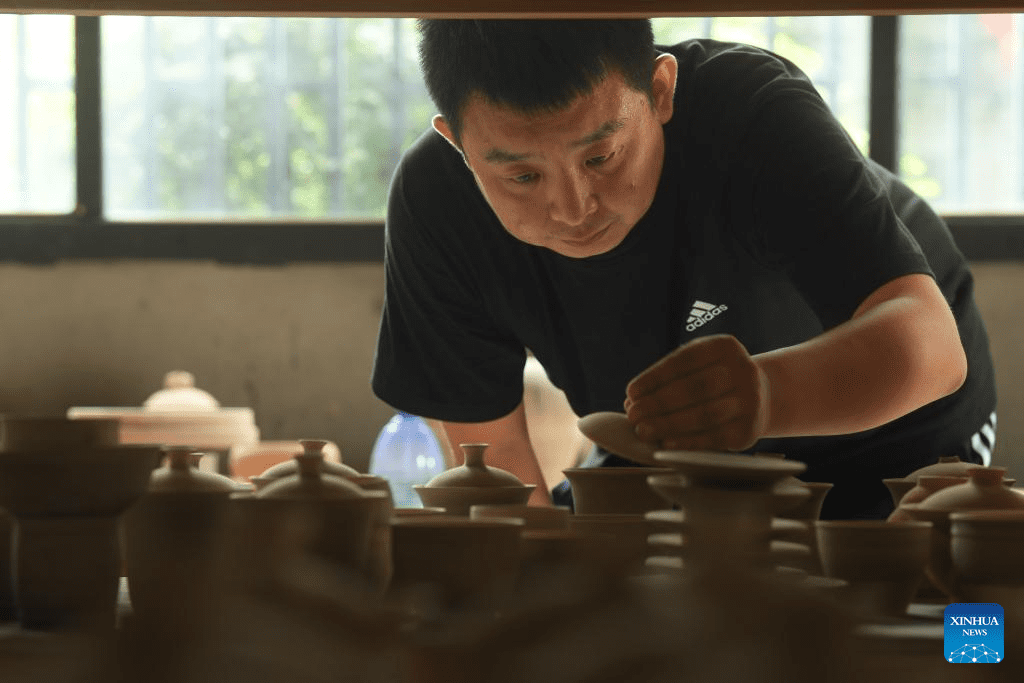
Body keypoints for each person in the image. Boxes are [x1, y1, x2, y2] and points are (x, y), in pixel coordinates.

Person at [371, 19, 997, 519]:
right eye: (522, 176)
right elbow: (496, 471)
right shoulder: (436, 202)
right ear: (458, 143)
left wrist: (765, 394)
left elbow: (932, 352)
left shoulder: (750, 113)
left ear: (662, 90)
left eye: (602, 156)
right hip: (680, 449)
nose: (572, 208)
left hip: (897, 424)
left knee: (907, 620)